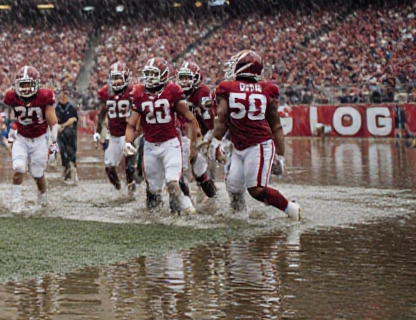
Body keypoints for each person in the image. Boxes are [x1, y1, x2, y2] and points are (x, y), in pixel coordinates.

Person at [211, 50, 302, 219]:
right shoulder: (266, 89)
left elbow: (222, 120)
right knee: (234, 187)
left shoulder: (227, 88)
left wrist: (215, 143)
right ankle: (239, 219)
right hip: (242, 146)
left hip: (257, 146)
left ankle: (291, 208)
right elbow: (276, 125)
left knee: (256, 189)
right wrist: (280, 155)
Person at [124, 58, 201, 215]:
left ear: (164, 75)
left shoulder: (172, 91)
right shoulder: (139, 92)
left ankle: (187, 208)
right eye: (148, 74)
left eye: (154, 74)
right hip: (150, 146)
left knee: (172, 181)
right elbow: (132, 124)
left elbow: (190, 119)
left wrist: (193, 145)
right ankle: (154, 217)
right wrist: (127, 142)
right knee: (153, 189)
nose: (150, 78)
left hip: (170, 144)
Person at [3, 66, 59, 211]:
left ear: (36, 84)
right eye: (22, 85)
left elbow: (52, 121)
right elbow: (13, 116)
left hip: (40, 139)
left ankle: (43, 200)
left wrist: (53, 143)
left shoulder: (44, 96)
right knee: (19, 167)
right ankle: (16, 202)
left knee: (38, 174)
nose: (25, 89)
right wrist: (12, 129)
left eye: (28, 84)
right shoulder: (12, 97)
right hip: (21, 138)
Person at [176, 60, 218, 201]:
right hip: (180, 135)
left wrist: (204, 140)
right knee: (179, 171)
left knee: (201, 172)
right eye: (182, 77)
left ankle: (212, 198)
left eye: (188, 77)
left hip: (202, 134)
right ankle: (186, 202)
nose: (184, 81)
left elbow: (208, 120)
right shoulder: (174, 91)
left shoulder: (203, 92)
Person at [94, 62, 138, 193]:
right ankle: (119, 190)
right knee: (109, 167)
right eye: (114, 78)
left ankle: (131, 191)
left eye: (119, 77)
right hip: (113, 135)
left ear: (125, 77)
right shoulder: (106, 93)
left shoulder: (132, 91)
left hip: (127, 134)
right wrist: (97, 131)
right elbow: (102, 112)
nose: (116, 81)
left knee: (130, 167)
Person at [55, 92, 79, 184]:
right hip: (60, 134)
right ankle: (67, 172)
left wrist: (64, 125)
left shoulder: (72, 107)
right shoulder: (57, 108)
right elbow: (54, 118)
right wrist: (57, 125)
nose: (62, 98)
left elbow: (73, 119)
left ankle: (74, 172)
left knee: (72, 154)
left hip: (71, 133)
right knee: (63, 153)